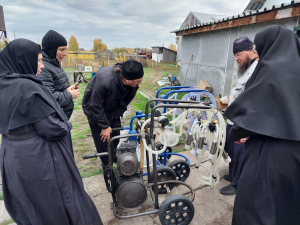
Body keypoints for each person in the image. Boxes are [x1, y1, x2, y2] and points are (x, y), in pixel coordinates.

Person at [0, 39, 103, 225]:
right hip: (38, 156)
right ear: (23, 60)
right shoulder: (28, 87)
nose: (41, 66)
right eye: (38, 61)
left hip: (12, 154)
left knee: (30, 201)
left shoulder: (3, 84)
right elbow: (53, 128)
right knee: (57, 200)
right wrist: (67, 125)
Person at [224, 25, 300, 224]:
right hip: (295, 155)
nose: (258, 54)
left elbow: (255, 108)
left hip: (271, 154)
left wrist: (235, 132)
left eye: (259, 48)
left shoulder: (271, 69)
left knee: (255, 207)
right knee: (288, 206)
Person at [82, 59, 144, 167]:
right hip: (94, 107)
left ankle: (114, 155)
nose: (140, 82)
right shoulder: (105, 81)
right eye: (138, 80)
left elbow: (125, 102)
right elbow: (95, 105)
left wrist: (114, 115)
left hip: (112, 105)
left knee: (115, 134)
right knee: (104, 138)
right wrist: (104, 125)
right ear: (128, 79)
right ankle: (107, 163)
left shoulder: (132, 83)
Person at [220, 36, 258, 196]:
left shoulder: (258, 70)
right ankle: (232, 174)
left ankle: (237, 184)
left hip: (242, 122)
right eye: (234, 55)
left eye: (239, 54)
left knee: (240, 153)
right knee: (231, 150)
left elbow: (255, 102)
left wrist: (246, 129)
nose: (236, 58)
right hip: (233, 120)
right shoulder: (247, 69)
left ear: (251, 50)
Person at [39, 30, 79, 155]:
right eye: (61, 49)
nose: (65, 53)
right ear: (51, 49)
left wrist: (67, 90)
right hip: (54, 124)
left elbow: (54, 89)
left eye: (65, 49)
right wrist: (68, 95)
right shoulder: (44, 68)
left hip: (61, 121)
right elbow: (47, 98)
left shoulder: (54, 64)